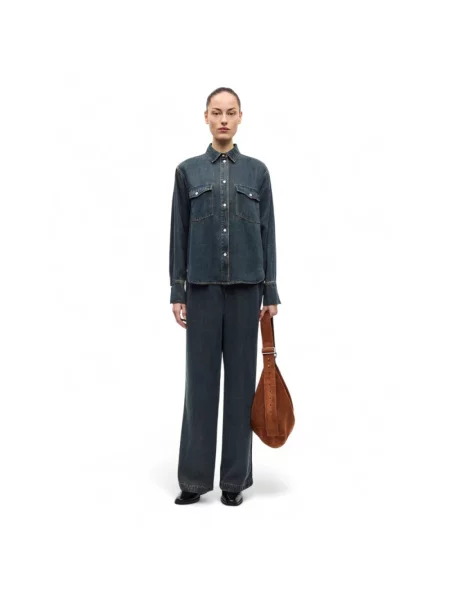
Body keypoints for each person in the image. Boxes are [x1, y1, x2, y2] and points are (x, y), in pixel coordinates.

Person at [169, 86, 281, 506]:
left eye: (230, 112)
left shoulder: (257, 173)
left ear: (240, 117)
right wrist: (177, 289)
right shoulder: (187, 172)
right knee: (199, 386)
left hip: (247, 292)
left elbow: (268, 234)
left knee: (239, 386)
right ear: (205, 117)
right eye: (216, 112)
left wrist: (270, 291)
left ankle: (234, 481)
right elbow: (179, 233)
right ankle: (194, 480)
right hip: (201, 291)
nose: (223, 119)